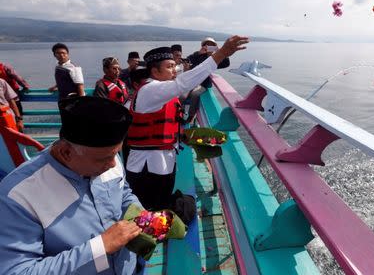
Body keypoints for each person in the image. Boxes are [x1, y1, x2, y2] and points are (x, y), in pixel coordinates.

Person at [0, 96, 142, 275]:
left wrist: (142, 216)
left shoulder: (107, 157)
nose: (114, 164)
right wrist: (99, 248)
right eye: (105, 159)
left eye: (116, 154)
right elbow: (17, 271)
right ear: (66, 152)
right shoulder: (18, 195)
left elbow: (123, 192)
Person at [126, 35, 248, 214]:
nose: (174, 71)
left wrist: (183, 136)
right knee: (148, 210)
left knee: (160, 206)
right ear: (154, 71)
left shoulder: (161, 91)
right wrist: (220, 54)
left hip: (162, 162)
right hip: (146, 168)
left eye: (174, 66)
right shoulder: (150, 90)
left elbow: (161, 123)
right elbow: (183, 84)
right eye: (169, 67)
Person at [182, 37, 231, 122]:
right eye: (207, 45)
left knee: (194, 95)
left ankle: (190, 116)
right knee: (182, 95)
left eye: (212, 45)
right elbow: (187, 60)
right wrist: (199, 53)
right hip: (192, 82)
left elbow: (226, 63)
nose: (209, 47)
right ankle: (180, 113)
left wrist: (220, 51)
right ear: (203, 46)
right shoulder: (198, 55)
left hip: (203, 84)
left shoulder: (216, 59)